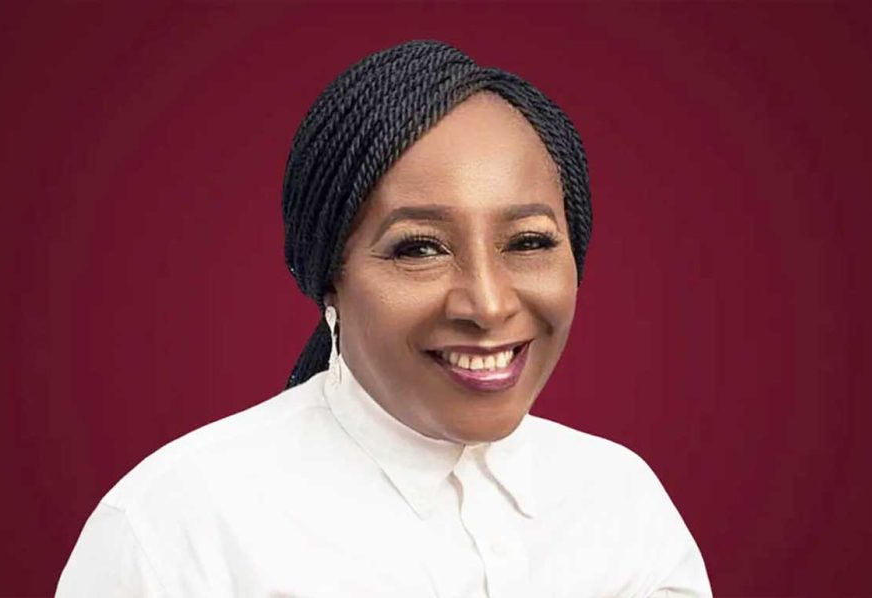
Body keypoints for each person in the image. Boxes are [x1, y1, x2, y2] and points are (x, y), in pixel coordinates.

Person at [56, 39, 712, 597]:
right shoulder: (175, 526)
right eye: (419, 249)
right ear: (330, 278)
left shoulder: (619, 502)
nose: (487, 304)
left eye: (529, 241)